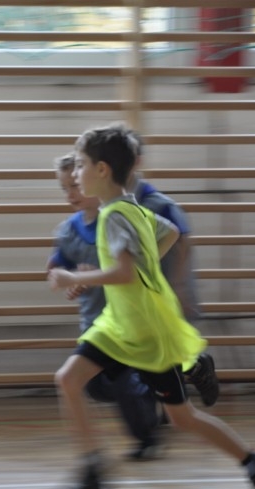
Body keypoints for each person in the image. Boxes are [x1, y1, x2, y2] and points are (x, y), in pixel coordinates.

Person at [48, 124, 255, 489]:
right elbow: (169, 232)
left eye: (81, 165)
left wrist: (74, 278)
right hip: (118, 325)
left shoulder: (114, 216)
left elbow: (123, 272)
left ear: (102, 170)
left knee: (181, 417)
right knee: (68, 379)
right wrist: (140, 266)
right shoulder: (131, 208)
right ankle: (92, 467)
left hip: (145, 332)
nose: (76, 173)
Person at [48, 153, 164, 461]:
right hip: (93, 322)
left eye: (75, 185)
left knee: (121, 383)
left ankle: (146, 438)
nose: (70, 194)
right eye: (64, 188)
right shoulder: (67, 231)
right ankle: (153, 391)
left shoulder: (115, 220)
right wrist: (67, 278)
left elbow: (132, 267)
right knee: (95, 387)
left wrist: (87, 275)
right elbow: (55, 269)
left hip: (125, 321)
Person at [126, 131, 218, 406]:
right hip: (142, 292)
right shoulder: (114, 203)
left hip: (167, 287)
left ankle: (196, 370)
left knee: (166, 353)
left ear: (137, 161)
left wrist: (178, 286)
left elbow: (183, 241)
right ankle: (187, 378)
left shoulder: (159, 203)